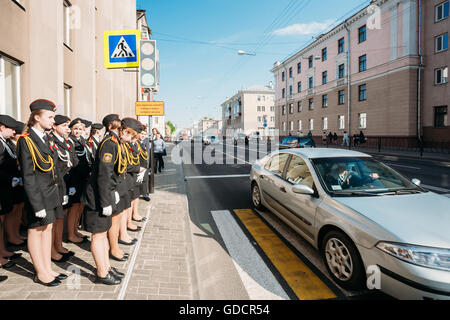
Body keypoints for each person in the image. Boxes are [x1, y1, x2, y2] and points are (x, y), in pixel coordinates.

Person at [17, 99, 66, 286]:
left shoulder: (45, 137)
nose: (53, 121)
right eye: (50, 117)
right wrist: (37, 205)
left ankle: (47, 267)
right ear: (37, 117)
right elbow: (28, 176)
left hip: (51, 194)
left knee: (48, 230)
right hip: (38, 196)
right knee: (36, 232)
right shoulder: (26, 140)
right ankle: (40, 272)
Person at [82, 114, 125, 285]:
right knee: (98, 235)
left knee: (103, 234)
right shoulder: (109, 144)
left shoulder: (112, 142)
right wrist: (106, 201)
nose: (122, 131)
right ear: (111, 127)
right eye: (119, 127)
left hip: (104, 194)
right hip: (98, 197)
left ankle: (106, 266)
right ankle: (101, 273)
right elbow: (103, 174)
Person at [48, 115, 75, 263]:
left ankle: (58, 244)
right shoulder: (51, 141)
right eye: (64, 125)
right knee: (54, 219)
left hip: (64, 182)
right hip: (56, 184)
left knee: (60, 217)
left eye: (67, 126)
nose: (67, 128)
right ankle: (52, 249)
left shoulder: (64, 141)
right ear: (54, 126)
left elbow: (71, 161)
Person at [0, 115, 22, 269]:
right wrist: (10, 178)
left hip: (6, 186)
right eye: (11, 128)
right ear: (2, 127)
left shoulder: (4, 142)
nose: (14, 131)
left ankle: (2, 250)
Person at [67, 118, 91, 244]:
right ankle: (71, 234)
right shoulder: (70, 141)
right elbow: (73, 162)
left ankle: (75, 230)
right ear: (71, 129)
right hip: (74, 178)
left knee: (80, 205)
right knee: (74, 206)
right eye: (75, 129)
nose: (77, 131)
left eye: (80, 129)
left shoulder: (81, 141)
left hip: (83, 177)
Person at [137, 129, 150, 204]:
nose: (143, 135)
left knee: (145, 179)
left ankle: (145, 194)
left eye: (144, 134)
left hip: (144, 163)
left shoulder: (146, 141)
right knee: (138, 179)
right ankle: (137, 193)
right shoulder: (136, 141)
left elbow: (148, 153)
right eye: (142, 134)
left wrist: (147, 164)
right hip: (137, 163)